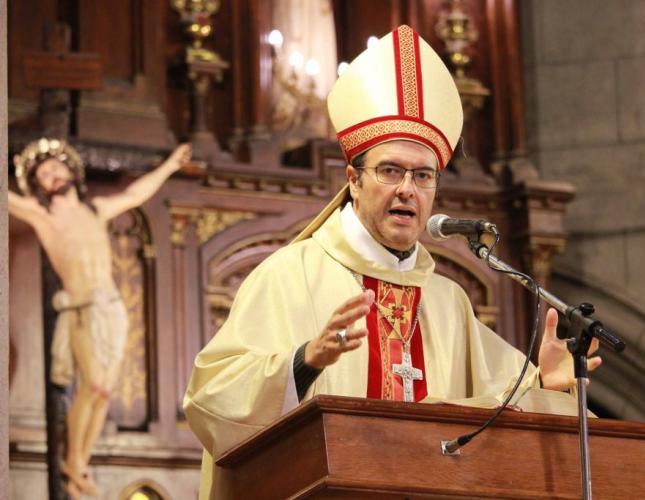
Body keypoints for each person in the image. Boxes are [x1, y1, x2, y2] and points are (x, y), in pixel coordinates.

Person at [183, 25, 601, 499]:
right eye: (389, 170)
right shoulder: (289, 275)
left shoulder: (448, 302)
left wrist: (550, 382)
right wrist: (304, 363)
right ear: (353, 180)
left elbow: (499, 417)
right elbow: (211, 398)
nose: (408, 188)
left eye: (423, 176)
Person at [9, 138, 192, 499]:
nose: (51, 176)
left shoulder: (95, 210)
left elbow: (136, 193)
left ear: (70, 171)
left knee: (104, 390)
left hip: (112, 306)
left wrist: (170, 165)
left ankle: (81, 462)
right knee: (92, 384)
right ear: (38, 185)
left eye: (55, 168)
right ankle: (73, 462)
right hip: (82, 306)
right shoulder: (41, 214)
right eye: (43, 174)